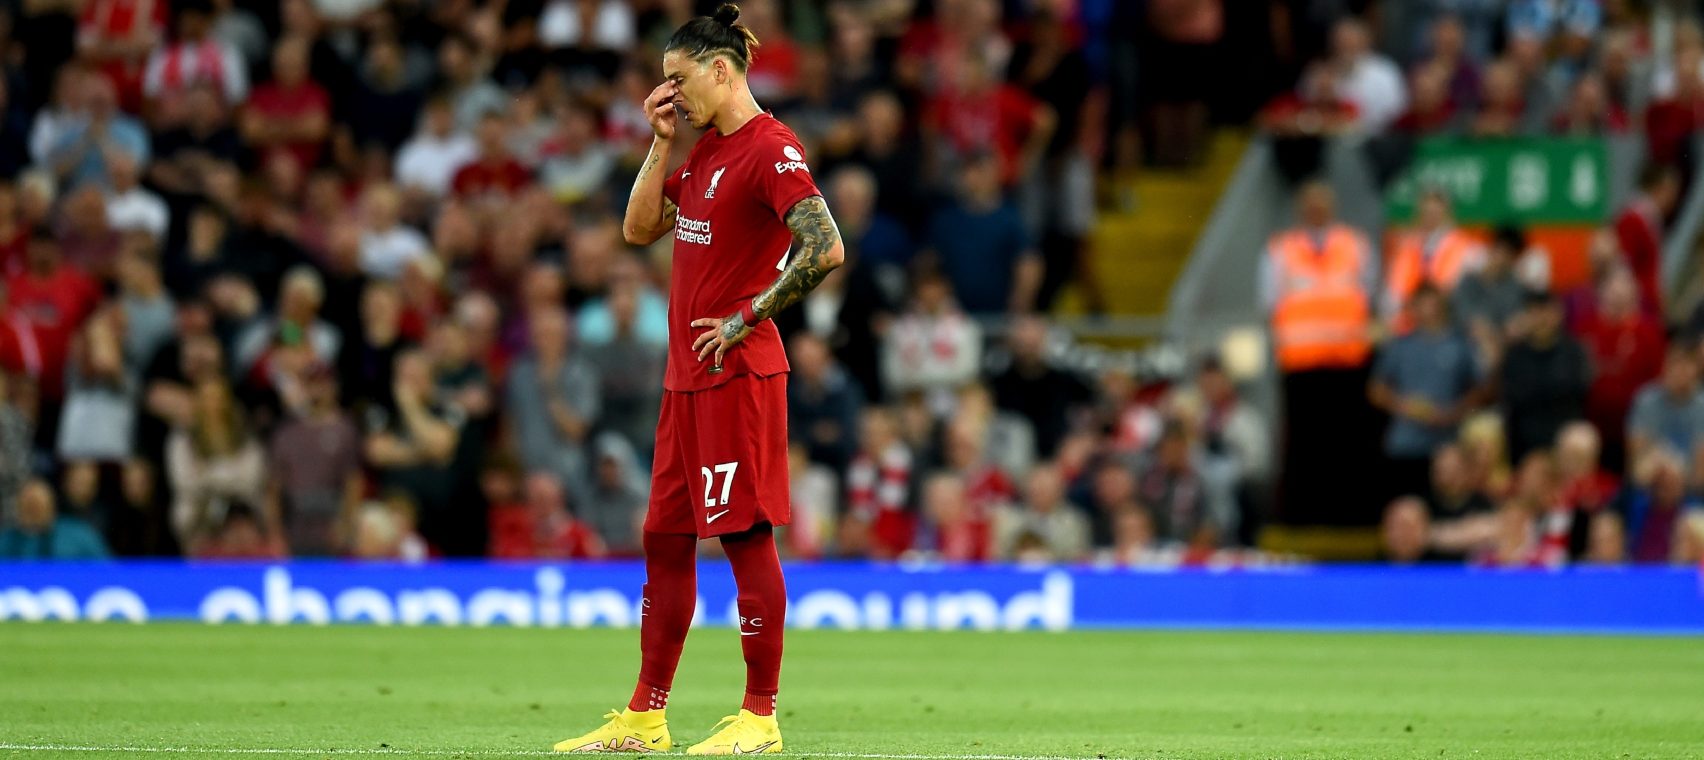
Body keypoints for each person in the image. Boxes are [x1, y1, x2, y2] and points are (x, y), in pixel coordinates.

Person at [553, 5, 844, 754]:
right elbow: (638, 229)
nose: (670, 95)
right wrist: (659, 142)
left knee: (745, 537)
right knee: (664, 538)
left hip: (737, 374)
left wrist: (748, 316)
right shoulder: (707, 150)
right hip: (685, 380)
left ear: (721, 69)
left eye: (678, 80)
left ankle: (760, 717)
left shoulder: (770, 148)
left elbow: (825, 246)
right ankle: (645, 716)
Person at [1261, 182, 1378, 525]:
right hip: (1301, 365)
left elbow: (1369, 293)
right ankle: (1303, 516)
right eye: (1310, 204)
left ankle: (1350, 514)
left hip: (1348, 364)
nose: (1316, 211)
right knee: (1304, 447)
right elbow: (1268, 300)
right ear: (1300, 209)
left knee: (1347, 444)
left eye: (1322, 204)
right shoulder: (1280, 249)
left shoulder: (1356, 244)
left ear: (1332, 207)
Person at [1369, 285, 1484, 503]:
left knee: (1448, 504)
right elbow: (1376, 389)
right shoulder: (1401, 345)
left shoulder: (1460, 343)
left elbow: (1482, 389)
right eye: (1421, 304)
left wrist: (1456, 411)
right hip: (1406, 443)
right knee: (1405, 504)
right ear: (1412, 308)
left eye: (1432, 303)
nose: (1428, 310)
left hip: (1448, 443)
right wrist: (1405, 406)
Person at [1499, 291, 1589, 462]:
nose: (1541, 319)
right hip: (1525, 435)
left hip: (1563, 431)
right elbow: (1514, 397)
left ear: (1558, 315)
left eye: (1546, 312)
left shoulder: (1573, 351)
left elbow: (1576, 393)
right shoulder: (1515, 355)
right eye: (1535, 313)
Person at [0, 479, 111, 559]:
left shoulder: (79, 536)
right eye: (29, 506)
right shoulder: (5, 541)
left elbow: (107, 569)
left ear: (52, 507)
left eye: (38, 506)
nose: (34, 512)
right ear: (19, 508)